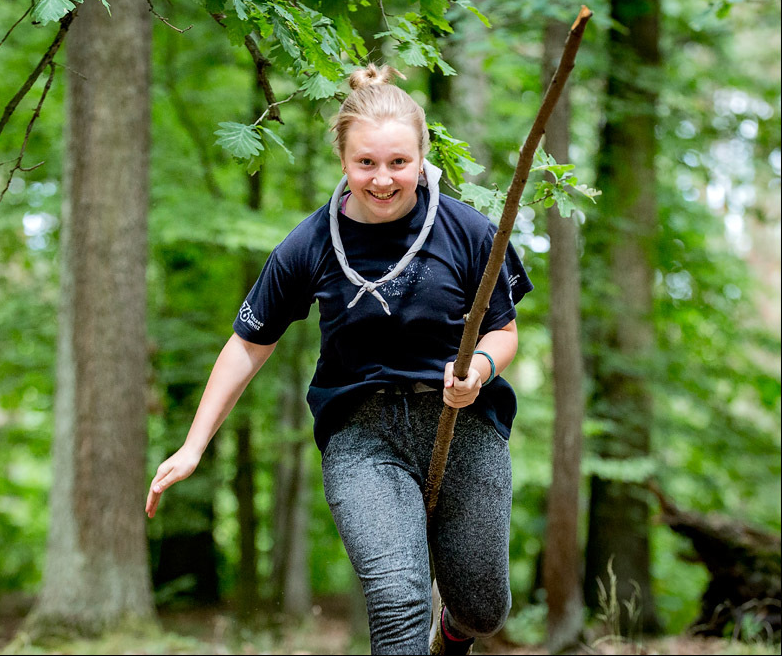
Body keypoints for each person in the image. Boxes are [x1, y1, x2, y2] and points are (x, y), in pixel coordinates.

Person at [145, 63, 532, 655]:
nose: (383, 179)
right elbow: (248, 343)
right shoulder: (309, 244)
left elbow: (503, 330)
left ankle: (454, 631)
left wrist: (477, 369)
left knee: (483, 607)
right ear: (343, 161)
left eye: (398, 162)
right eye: (366, 163)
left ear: (422, 156)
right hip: (361, 435)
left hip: (464, 425)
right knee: (397, 597)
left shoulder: (469, 231)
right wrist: (193, 445)